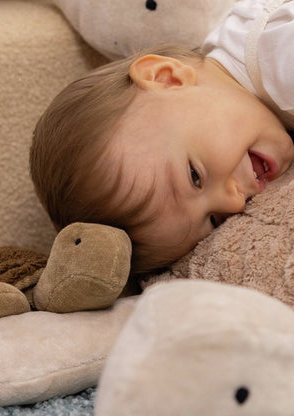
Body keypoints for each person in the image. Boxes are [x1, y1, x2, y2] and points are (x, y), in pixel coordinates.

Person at [30, 0, 294, 274]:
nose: (235, 203)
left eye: (195, 176)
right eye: (215, 220)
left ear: (167, 79)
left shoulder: (281, 55)